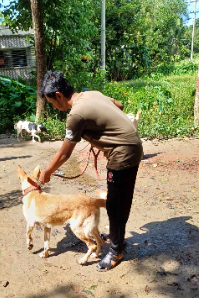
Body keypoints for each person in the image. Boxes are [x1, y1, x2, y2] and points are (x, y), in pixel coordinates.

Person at [39, 71, 143, 271]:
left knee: (114, 203)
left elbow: (64, 154)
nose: (53, 107)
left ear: (59, 95)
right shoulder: (91, 94)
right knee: (120, 198)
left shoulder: (75, 115)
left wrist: (47, 172)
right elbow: (119, 105)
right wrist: (104, 134)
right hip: (133, 145)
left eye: (52, 102)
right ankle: (116, 237)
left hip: (122, 154)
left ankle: (115, 251)